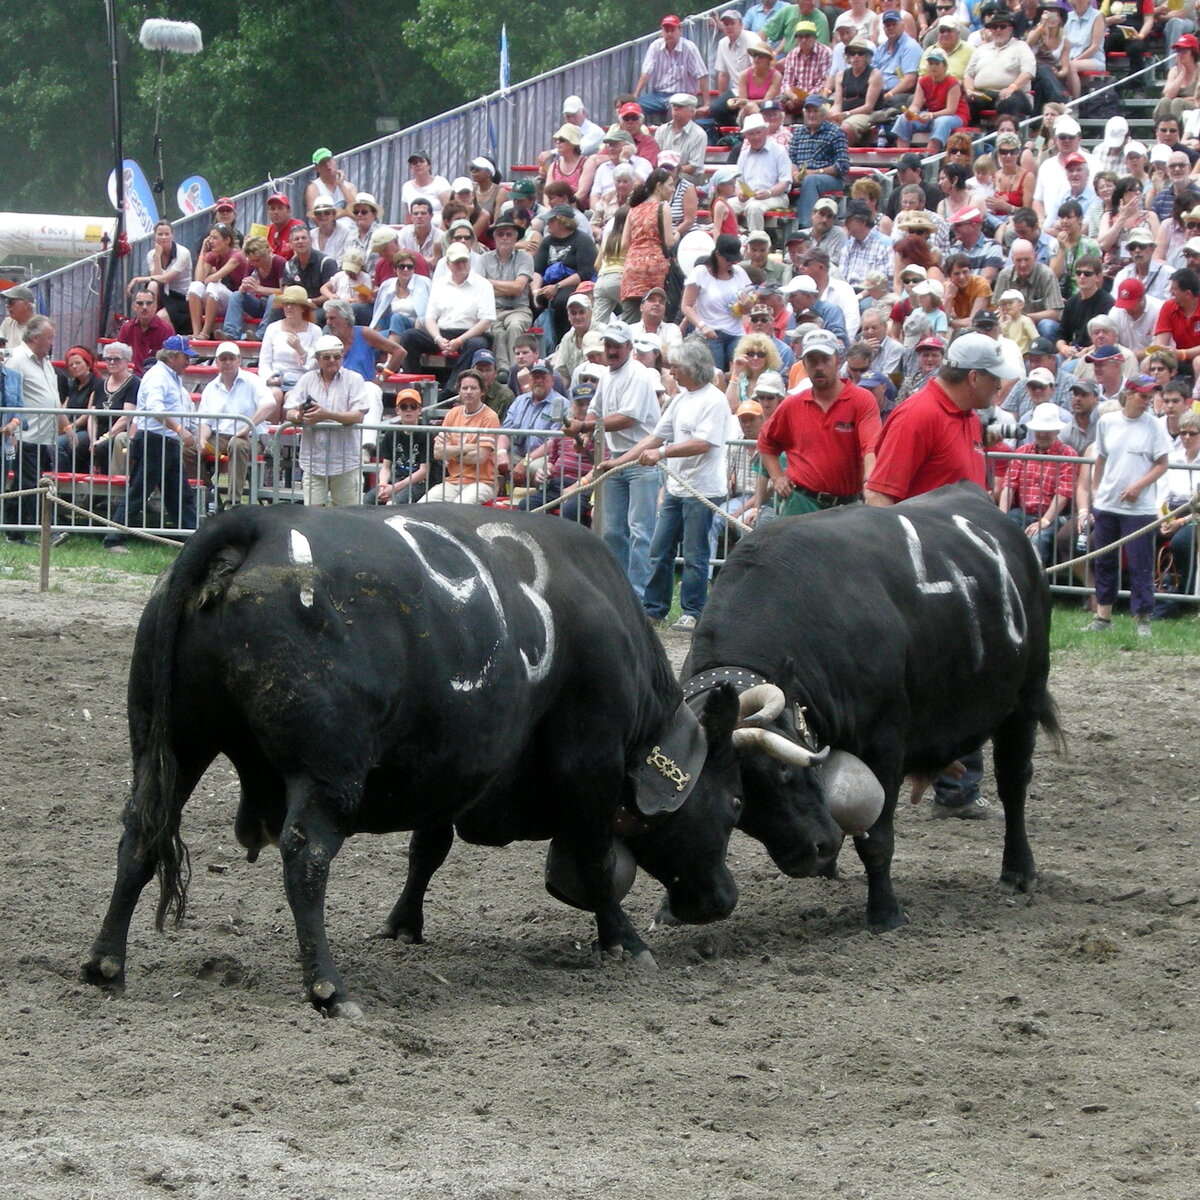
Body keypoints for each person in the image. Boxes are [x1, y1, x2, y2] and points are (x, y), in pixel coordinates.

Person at [867, 331, 1021, 817]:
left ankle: (957, 788)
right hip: (928, 576)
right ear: (973, 377)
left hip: (963, 574)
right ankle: (947, 784)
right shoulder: (918, 414)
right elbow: (879, 499)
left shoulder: (968, 416)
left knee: (971, 672)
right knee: (948, 675)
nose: (1001, 388)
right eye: (995, 380)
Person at [598, 336, 728, 632]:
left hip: (703, 489)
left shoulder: (715, 400)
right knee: (659, 547)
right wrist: (617, 462)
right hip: (676, 488)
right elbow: (653, 438)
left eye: (676, 367)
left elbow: (702, 443)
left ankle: (693, 610)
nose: (671, 372)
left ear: (692, 368)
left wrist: (663, 453)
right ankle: (654, 609)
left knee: (696, 554)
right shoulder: (679, 400)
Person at [572, 321, 662, 597]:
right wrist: (586, 431)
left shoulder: (638, 374)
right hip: (615, 457)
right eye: (608, 345)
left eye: (617, 346)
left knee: (640, 531)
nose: (611, 350)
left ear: (629, 348)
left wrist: (586, 428)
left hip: (641, 459)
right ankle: (618, 592)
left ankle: (639, 594)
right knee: (612, 531)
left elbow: (627, 418)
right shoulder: (607, 374)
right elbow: (595, 409)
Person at [758, 327, 881, 515]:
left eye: (825, 360)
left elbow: (870, 447)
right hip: (801, 503)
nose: (819, 367)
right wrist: (777, 477)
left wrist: (870, 482)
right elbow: (766, 442)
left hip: (847, 506)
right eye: (812, 361)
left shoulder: (861, 400)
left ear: (838, 361)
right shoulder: (792, 405)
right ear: (804, 365)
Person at [1085, 375, 1173, 635]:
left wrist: (1138, 486)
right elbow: (1100, 456)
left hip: (1140, 508)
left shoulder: (1155, 426)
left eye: (1149, 396)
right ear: (1128, 394)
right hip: (1108, 504)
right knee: (1104, 561)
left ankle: (1143, 618)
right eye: (1142, 395)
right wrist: (1095, 488)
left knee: (1140, 564)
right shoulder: (1107, 422)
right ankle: (1103, 616)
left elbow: (1162, 464)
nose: (1146, 401)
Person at [103, 336, 201, 551]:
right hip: (155, 442)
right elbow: (156, 410)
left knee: (179, 494)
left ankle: (192, 540)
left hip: (165, 442)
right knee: (139, 491)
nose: (189, 362)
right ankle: (114, 539)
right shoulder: (158, 377)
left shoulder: (168, 376)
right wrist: (179, 429)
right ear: (173, 356)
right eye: (186, 357)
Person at [281, 334, 373, 507]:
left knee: (349, 518)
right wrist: (300, 416)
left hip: (346, 462)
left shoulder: (354, 379)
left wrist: (327, 415)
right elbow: (289, 412)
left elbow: (358, 415)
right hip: (313, 462)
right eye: (327, 357)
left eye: (337, 356)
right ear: (317, 358)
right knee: (313, 519)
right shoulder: (306, 379)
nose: (332, 360)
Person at [5, 317, 72, 542]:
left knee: (25, 484)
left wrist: (67, 425)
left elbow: (52, 398)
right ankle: (47, 531)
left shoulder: (46, 363)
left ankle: (14, 533)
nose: (52, 343)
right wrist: (12, 428)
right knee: (32, 483)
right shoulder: (16, 359)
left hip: (44, 435)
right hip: (26, 433)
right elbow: (9, 397)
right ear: (35, 338)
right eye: (49, 338)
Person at [396, 243, 495, 396]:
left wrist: (459, 341)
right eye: (457, 262)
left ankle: (451, 390)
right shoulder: (440, 283)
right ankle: (415, 388)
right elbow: (430, 318)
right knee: (409, 336)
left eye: (464, 261)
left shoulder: (483, 285)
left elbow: (485, 321)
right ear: (448, 264)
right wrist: (438, 338)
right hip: (442, 332)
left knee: (478, 344)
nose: (461, 265)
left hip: (470, 333)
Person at [998, 401, 1081, 565]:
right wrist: (1000, 517)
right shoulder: (1022, 452)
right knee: (1002, 532)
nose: (1042, 434)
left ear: (1057, 430)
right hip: (1022, 512)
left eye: (1047, 430)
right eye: (1039, 430)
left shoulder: (1068, 454)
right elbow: (1009, 486)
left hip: (1056, 515)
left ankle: (1035, 584)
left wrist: (1045, 520)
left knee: (1039, 539)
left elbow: (1063, 494)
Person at [196, 342, 276, 506]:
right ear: (217, 362)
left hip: (250, 436)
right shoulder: (211, 388)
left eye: (231, 358)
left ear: (239, 360)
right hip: (219, 437)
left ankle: (233, 502)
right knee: (189, 449)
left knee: (238, 445)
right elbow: (205, 422)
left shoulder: (253, 380)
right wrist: (202, 440)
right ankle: (208, 495)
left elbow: (270, 404)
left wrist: (245, 428)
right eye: (223, 359)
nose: (227, 362)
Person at [421, 369, 501, 504]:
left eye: (473, 388)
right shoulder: (453, 414)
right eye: (465, 388)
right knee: (423, 506)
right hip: (453, 481)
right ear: (459, 391)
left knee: (459, 507)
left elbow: (479, 457)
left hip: (483, 483)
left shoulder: (490, 417)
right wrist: (468, 447)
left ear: (482, 391)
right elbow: (438, 453)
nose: (468, 391)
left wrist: (452, 452)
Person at [680, 235, 753, 372]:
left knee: (741, 371)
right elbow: (686, 306)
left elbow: (746, 310)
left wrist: (748, 305)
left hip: (736, 332)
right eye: (727, 259)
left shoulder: (739, 273)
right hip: (711, 333)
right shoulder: (701, 273)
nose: (731, 263)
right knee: (716, 373)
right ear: (718, 254)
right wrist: (703, 326)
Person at [496, 360, 564, 491]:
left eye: (543, 377)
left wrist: (526, 462)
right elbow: (505, 431)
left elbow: (552, 443)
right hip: (516, 452)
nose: (538, 380)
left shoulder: (561, 404)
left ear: (552, 380)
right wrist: (502, 453)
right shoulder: (519, 400)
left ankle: (537, 505)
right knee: (490, 459)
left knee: (535, 468)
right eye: (535, 377)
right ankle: (497, 502)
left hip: (542, 457)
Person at [621, 168, 676, 322]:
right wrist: (677, 234)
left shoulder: (634, 210)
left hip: (632, 266)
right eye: (670, 185)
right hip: (654, 267)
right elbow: (669, 241)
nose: (672, 189)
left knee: (630, 318)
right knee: (653, 316)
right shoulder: (663, 207)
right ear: (659, 186)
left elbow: (625, 243)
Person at [963, 7, 1036, 121]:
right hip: (984, 94)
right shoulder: (981, 49)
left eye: (1002, 27)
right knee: (966, 103)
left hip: (1015, 93)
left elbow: (1028, 71)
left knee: (1008, 102)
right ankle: (970, 136)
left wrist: (1012, 87)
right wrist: (969, 90)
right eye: (994, 27)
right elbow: (968, 74)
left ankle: (1003, 135)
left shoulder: (1021, 46)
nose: (998, 30)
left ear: (1011, 29)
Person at [259, 286, 322, 416]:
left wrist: (299, 348)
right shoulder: (272, 328)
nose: (288, 308)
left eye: (293, 304)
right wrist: (268, 378)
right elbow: (265, 360)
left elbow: (314, 364)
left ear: (303, 308)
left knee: (291, 399)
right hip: (276, 378)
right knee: (274, 396)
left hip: (302, 380)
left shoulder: (315, 331)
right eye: (286, 304)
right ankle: (269, 435)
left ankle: (288, 436)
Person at [788, 95, 850, 229]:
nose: (811, 115)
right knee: (782, 178)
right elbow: (792, 158)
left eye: (815, 111)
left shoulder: (836, 132)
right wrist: (794, 173)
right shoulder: (798, 133)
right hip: (802, 176)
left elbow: (843, 166)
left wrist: (815, 172)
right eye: (808, 111)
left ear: (823, 114)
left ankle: (806, 227)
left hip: (830, 178)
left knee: (811, 180)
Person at [633, 14, 708, 122]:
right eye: (666, 30)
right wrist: (636, 94)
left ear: (680, 31)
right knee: (632, 108)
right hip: (657, 95)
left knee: (676, 110)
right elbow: (646, 73)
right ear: (662, 32)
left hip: (682, 95)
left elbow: (702, 75)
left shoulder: (689, 47)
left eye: (672, 30)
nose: (669, 33)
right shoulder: (655, 46)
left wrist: (706, 104)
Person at [892, 47, 967, 154]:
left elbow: (951, 110)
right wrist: (911, 113)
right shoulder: (923, 81)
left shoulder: (952, 83)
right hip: (933, 114)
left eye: (937, 64)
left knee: (942, 122)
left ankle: (929, 156)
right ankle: (902, 155)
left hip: (955, 115)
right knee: (903, 119)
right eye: (931, 63)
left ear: (945, 66)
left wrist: (931, 115)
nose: (933, 67)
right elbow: (916, 104)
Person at [365, 388, 431, 505]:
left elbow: (423, 472)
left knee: (395, 504)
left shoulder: (425, 433)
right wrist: (383, 486)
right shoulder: (392, 433)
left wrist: (394, 488)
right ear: (397, 410)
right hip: (395, 479)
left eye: (413, 406)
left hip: (418, 484)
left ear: (419, 410)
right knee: (368, 500)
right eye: (404, 406)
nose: (408, 410)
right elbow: (386, 467)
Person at [733, 112, 794, 234]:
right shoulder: (744, 155)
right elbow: (739, 182)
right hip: (751, 196)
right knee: (725, 205)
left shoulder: (779, 151)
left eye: (758, 132)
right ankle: (734, 240)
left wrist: (769, 192)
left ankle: (756, 242)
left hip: (776, 196)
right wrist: (740, 193)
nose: (755, 137)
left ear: (765, 131)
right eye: (751, 133)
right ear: (746, 136)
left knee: (754, 207)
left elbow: (785, 182)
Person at [127, 221, 193, 332]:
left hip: (179, 297)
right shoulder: (151, 254)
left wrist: (137, 279)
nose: (163, 237)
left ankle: (166, 343)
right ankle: (147, 314)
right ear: (155, 236)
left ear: (172, 235)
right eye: (160, 234)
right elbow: (156, 277)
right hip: (162, 294)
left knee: (161, 317)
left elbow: (166, 278)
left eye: (167, 234)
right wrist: (157, 256)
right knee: (152, 284)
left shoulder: (183, 253)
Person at [993, 239, 1064, 340]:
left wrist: (1022, 318)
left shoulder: (1046, 274)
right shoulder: (1005, 275)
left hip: (1038, 324)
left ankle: (1047, 354)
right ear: (1012, 260)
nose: (1023, 264)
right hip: (1009, 323)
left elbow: (1055, 313)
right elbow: (996, 307)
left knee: (1047, 325)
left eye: (1027, 259)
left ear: (1035, 257)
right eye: (1018, 260)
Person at [219, 234, 286, 339]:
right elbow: (244, 288)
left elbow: (284, 291)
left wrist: (260, 289)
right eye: (252, 260)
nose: (255, 264)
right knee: (236, 295)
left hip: (276, 307)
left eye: (258, 260)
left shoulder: (279, 262)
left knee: (274, 298)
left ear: (267, 253)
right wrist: (243, 288)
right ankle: (230, 333)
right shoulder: (251, 264)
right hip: (260, 304)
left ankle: (261, 335)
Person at [186, 223, 247, 339]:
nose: (211, 241)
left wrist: (209, 278)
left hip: (238, 302)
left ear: (227, 240)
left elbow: (214, 277)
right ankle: (196, 332)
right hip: (219, 299)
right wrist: (203, 253)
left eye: (215, 238)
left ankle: (205, 333)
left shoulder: (237, 255)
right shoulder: (213, 255)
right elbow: (199, 279)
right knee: (195, 286)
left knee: (213, 285)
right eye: (210, 238)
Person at [89, 342, 138, 475]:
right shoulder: (100, 384)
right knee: (74, 444)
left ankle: (106, 488)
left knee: (103, 447)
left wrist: (106, 437)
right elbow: (91, 415)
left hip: (121, 433)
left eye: (116, 359)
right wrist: (92, 439)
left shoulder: (134, 383)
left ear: (127, 361)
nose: (111, 362)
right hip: (99, 431)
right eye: (108, 359)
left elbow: (127, 416)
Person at [56, 346, 103, 471]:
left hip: (86, 429)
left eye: (78, 363)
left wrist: (70, 427)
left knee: (58, 444)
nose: (74, 366)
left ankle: (67, 482)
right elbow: (64, 406)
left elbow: (88, 413)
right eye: (71, 365)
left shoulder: (97, 383)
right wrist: (63, 425)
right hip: (69, 426)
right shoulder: (72, 384)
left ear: (88, 364)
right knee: (49, 442)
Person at [117, 289, 174, 376]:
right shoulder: (126, 328)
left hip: (157, 377)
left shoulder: (166, 329)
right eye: (140, 303)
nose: (144, 307)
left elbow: (170, 361)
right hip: (131, 377)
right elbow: (119, 355)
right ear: (134, 306)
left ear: (155, 306)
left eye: (148, 303)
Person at [1153, 267, 1200, 370]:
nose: (1170, 292)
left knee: (1198, 362)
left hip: (1192, 356)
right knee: (1149, 362)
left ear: (1187, 293)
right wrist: (1164, 350)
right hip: (1179, 358)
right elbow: (1161, 343)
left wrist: (1183, 353)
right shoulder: (1169, 306)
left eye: (1174, 289)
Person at [840, 201, 894, 290]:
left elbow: (884, 282)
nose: (845, 224)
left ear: (862, 222)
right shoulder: (848, 246)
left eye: (849, 221)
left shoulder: (885, 245)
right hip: (849, 292)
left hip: (873, 294)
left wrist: (860, 296)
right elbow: (842, 278)